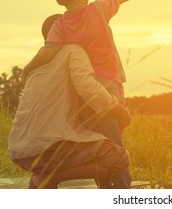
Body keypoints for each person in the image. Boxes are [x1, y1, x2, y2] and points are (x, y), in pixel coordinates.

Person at [21, 0, 164, 186]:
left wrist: (27, 69)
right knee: (114, 145)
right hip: (106, 88)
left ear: (58, 0)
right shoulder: (98, 9)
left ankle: (108, 185)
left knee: (99, 144)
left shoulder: (59, 25)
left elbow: (48, 52)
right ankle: (120, 190)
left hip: (81, 93)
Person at [9, 15, 132, 189]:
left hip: (21, 152)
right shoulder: (73, 51)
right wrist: (117, 108)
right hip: (50, 148)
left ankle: (41, 178)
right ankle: (49, 178)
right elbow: (86, 87)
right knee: (118, 158)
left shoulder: (39, 62)